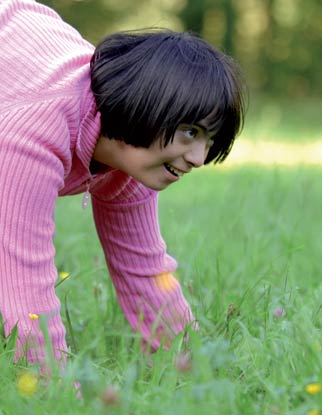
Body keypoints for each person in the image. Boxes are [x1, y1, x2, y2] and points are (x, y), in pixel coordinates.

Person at [0, 0, 245, 368]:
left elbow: (145, 274)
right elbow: (23, 280)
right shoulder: (36, 132)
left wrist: (199, 375)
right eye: (190, 132)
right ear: (148, 103)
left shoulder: (133, 162)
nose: (198, 157)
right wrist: (60, 394)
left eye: (208, 141)